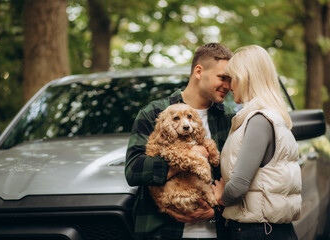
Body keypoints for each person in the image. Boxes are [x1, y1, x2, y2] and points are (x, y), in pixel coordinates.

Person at [125, 43, 235, 240]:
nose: (228, 86)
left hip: (217, 232)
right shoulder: (154, 113)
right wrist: (190, 156)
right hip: (162, 231)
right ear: (199, 71)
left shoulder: (229, 120)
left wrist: (215, 212)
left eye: (230, 79)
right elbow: (134, 170)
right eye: (223, 77)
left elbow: (239, 181)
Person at [211, 45, 301, 240]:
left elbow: (239, 185)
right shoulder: (270, 116)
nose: (230, 85)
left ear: (245, 78)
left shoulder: (259, 120)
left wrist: (220, 197)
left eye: (232, 78)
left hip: (259, 231)